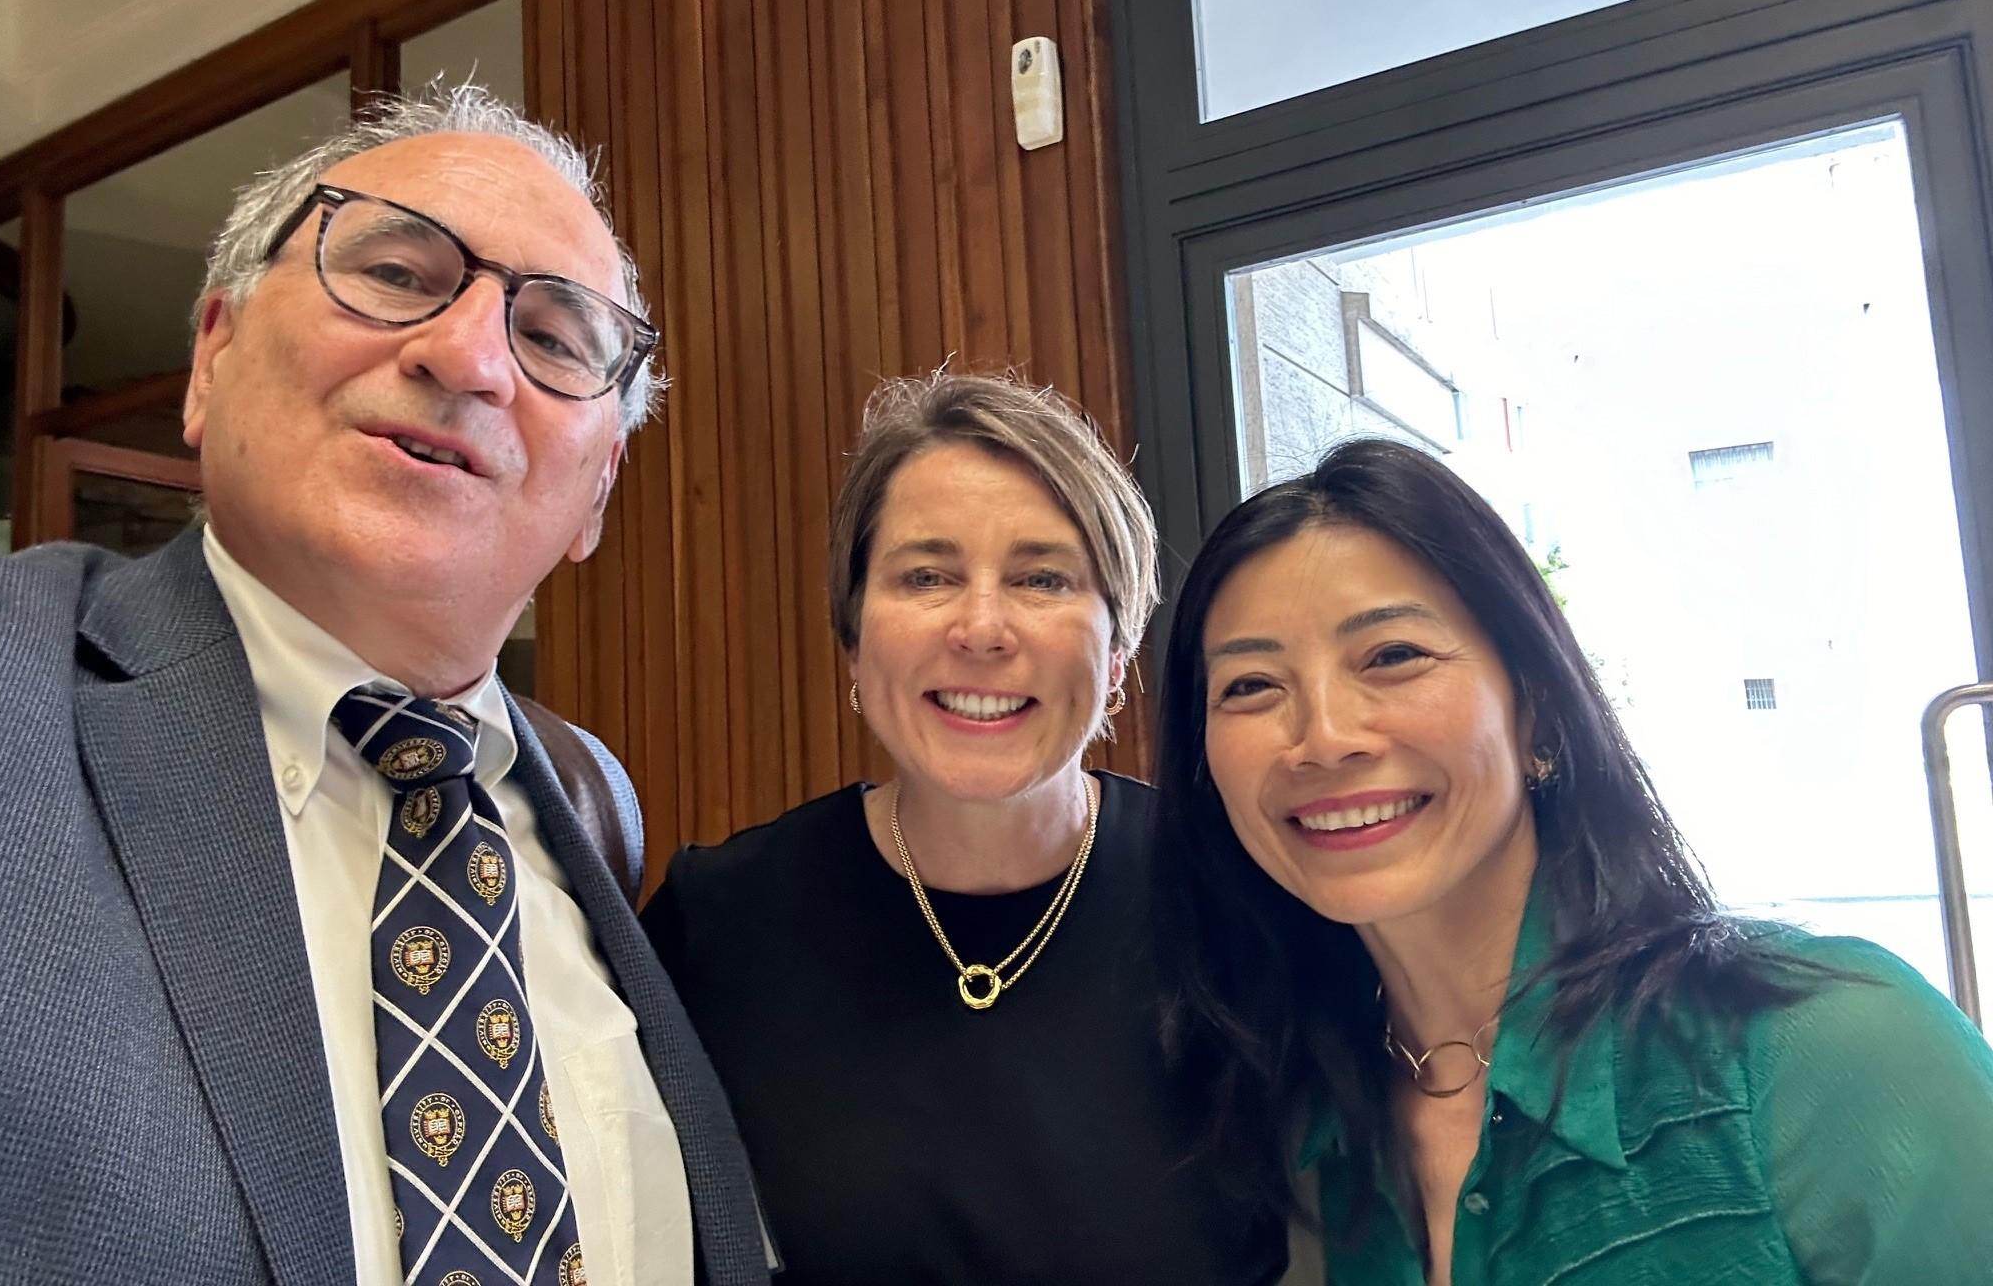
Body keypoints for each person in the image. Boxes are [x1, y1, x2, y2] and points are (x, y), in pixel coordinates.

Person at [0, 85, 770, 1286]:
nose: (466, 357)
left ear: (597, 493)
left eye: (555, 339)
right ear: (212, 354)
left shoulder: (592, 802)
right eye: (398, 272)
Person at [1155, 437, 1993, 1286]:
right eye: (1252, 686)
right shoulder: (1290, 1138)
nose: (1324, 739)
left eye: (1392, 656)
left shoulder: (1833, 1042)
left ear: (1540, 712)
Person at [643, 371, 1288, 1285]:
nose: (983, 628)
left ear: (1116, 656)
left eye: (1041, 577)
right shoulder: (715, 924)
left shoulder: (1241, 895)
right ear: (856, 646)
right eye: (927, 576)